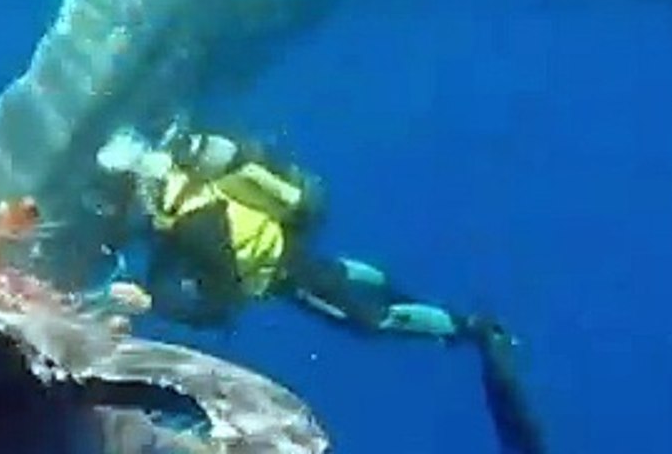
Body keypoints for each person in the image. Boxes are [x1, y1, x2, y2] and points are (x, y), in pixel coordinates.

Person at [96, 125, 546, 453]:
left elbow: (221, 306)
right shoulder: (190, 187)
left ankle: (470, 328)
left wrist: (156, 302)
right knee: (331, 275)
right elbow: (173, 249)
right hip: (287, 247)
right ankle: (381, 282)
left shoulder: (194, 228)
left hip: (287, 274)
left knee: (368, 321)